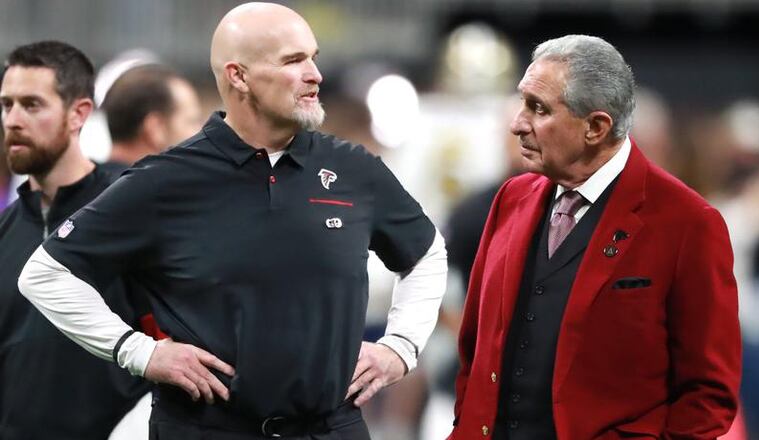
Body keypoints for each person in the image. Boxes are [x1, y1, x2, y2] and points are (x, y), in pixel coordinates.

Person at [18, 3, 447, 440]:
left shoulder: (354, 169)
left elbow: (426, 253)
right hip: (207, 428)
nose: (315, 73)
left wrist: (401, 346)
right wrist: (139, 353)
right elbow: (47, 274)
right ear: (238, 76)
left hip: (331, 428)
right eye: (293, 61)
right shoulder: (166, 179)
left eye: (313, 57)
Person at [449, 35, 740, 439]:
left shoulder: (688, 222)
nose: (517, 123)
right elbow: (473, 352)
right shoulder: (511, 199)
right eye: (523, 102)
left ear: (596, 127)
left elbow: (709, 394)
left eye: (538, 108)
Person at [0, 40, 150, 439]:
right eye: (6, 104)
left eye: (32, 105)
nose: (13, 119)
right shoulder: (6, 229)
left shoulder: (129, 208)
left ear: (78, 113)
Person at [102, 64, 203, 172]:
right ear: (155, 128)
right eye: (192, 121)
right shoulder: (159, 187)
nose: (201, 131)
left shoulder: (87, 184)